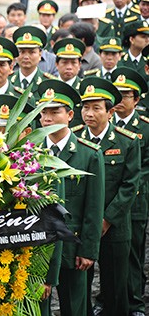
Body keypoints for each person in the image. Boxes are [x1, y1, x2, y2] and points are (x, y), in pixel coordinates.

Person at [72, 77, 141, 316]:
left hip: (115, 227)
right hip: (81, 227)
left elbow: (130, 185)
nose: (89, 114)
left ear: (110, 112)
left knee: (115, 287)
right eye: (85, 107)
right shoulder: (75, 140)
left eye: (96, 108)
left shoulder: (127, 141)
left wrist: (107, 219)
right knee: (80, 286)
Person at [38, 79, 105, 316]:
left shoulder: (89, 154)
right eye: (43, 112)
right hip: (39, 247)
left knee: (75, 306)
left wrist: (88, 250)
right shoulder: (29, 152)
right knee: (39, 306)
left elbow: (94, 209)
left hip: (73, 246)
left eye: (54, 112)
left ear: (69, 115)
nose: (47, 119)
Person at [109, 67, 149, 316]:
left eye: (127, 95)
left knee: (133, 253)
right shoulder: (104, 123)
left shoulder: (144, 127)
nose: (121, 100)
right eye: (117, 94)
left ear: (136, 99)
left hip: (134, 200)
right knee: (105, 254)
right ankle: (108, 298)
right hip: (105, 200)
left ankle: (134, 302)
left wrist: (131, 185)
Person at [9, 25, 55, 102]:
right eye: (22, 52)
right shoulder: (8, 80)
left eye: (32, 52)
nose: (26, 57)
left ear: (40, 54)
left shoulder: (50, 83)